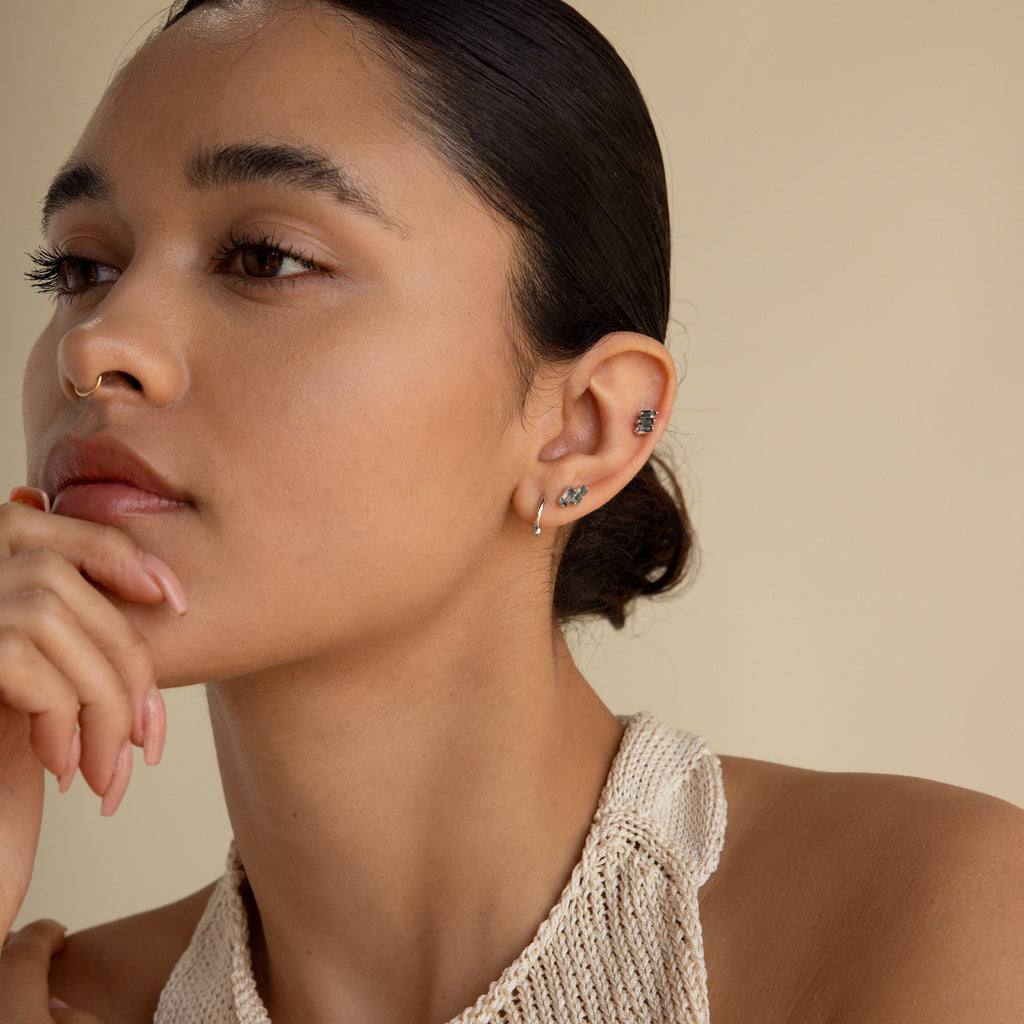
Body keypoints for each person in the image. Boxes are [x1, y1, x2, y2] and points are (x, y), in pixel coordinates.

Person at [0, 1, 1022, 1021]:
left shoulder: (937, 923)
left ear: (581, 426)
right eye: (81, 267)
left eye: (266, 257)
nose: (95, 345)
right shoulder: (48, 1000)